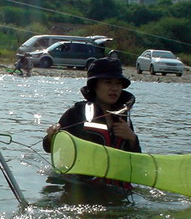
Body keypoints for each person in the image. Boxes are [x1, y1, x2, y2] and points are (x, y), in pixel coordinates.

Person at [43, 57, 141, 194]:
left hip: (118, 190)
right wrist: (50, 136)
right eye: (108, 82)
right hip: (82, 189)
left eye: (118, 83)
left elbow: (136, 162)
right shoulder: (76, 113)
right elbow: (49, 148)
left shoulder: (124, 119)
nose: (114, 88)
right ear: (94, 85)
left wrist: (132, 138)